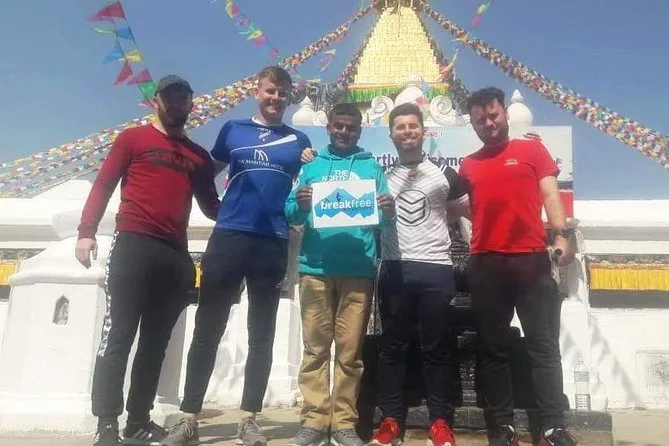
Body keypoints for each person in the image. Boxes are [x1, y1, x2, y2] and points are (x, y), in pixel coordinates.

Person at [163, 66, 314, 446]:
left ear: (289, 96)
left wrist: (313, 163)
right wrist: (210, 208)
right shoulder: (232, 130)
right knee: (207, 327)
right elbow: (205, 174)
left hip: (273, 239)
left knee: (261, 333)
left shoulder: (299, 141)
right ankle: (189, 416)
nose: (275, 98)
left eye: (282, 93)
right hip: (229, 234)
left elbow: (313, 185)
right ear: (256, 91)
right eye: (270, 91)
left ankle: (250, 418)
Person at [75, 75, 220, 446]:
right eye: (169, 97)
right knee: (118, 336)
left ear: (191, 104)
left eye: (183, 98)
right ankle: (107, 422)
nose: (176, 103)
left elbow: (212, 206)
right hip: (133, 245)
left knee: (155, 344)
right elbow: (104, 184)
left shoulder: (198, 156)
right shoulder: (133, 139)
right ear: (156, 101)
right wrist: (86, 231)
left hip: (175, 254)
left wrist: (251, 199)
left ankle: (138, 420)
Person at [458, 87, 577, 446]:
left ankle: (552, 426)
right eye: (480, 120)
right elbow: (462, 207)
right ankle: (501, 426)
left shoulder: (532, 150)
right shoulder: (468, 164)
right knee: (493, 348)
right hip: (485, 262)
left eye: (493, 115)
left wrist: (561, 235)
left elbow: (551, 194)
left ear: (505, 114)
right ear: (473, 125)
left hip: (531, 260)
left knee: (543, 345)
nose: (488, 123)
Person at [284, 103, 396, 446]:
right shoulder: (311, 166)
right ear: (329, 127)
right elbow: (291, 213)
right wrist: (301, 203)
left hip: (358, 270)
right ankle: (314, 420)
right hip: (315, 269)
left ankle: (344, 423)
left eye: (351, 127)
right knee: (315, 349)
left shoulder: (371, 167)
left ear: (359, 131)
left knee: (350, 353)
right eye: (338, 126)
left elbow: (385, 221)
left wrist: (388, 210)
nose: (344, 132)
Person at [369, 103, 469, 446]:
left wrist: (476, 252)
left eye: (413, 125)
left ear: (424, 131)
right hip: (395, 266)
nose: (407, 132)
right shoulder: (381, 177)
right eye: (400, 127)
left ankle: (440, 421)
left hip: (436, 267)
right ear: (391, 135)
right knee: (392, 347)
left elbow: (465, 214)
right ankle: (390, 421)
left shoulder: (445, 173)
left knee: (437, 347)